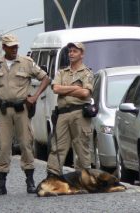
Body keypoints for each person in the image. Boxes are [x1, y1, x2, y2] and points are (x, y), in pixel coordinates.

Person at [0, 34, 50, 196]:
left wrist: (34, 97)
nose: (14, 49)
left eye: (16, 47)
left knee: (26, 144)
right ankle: (1, 184)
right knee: (4, 146)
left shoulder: (26, 63)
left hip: (22, 110)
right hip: (4, 110)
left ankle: (30, 181)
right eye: (11, 47)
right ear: (4, 47)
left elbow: (45, 78)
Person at [46, 42, 94, 177]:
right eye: (70, 51)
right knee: (57, 146)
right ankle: (53, 176)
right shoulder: (62, 72)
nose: (71, 54)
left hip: (79, 113)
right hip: (63, 114)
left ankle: (84, 177)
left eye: (75, 51)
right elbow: (56, 88)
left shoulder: (87, 73)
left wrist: (65, 90)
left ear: (82, 54)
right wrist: (76, 88)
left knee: (81, 146)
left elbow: (85, 93)